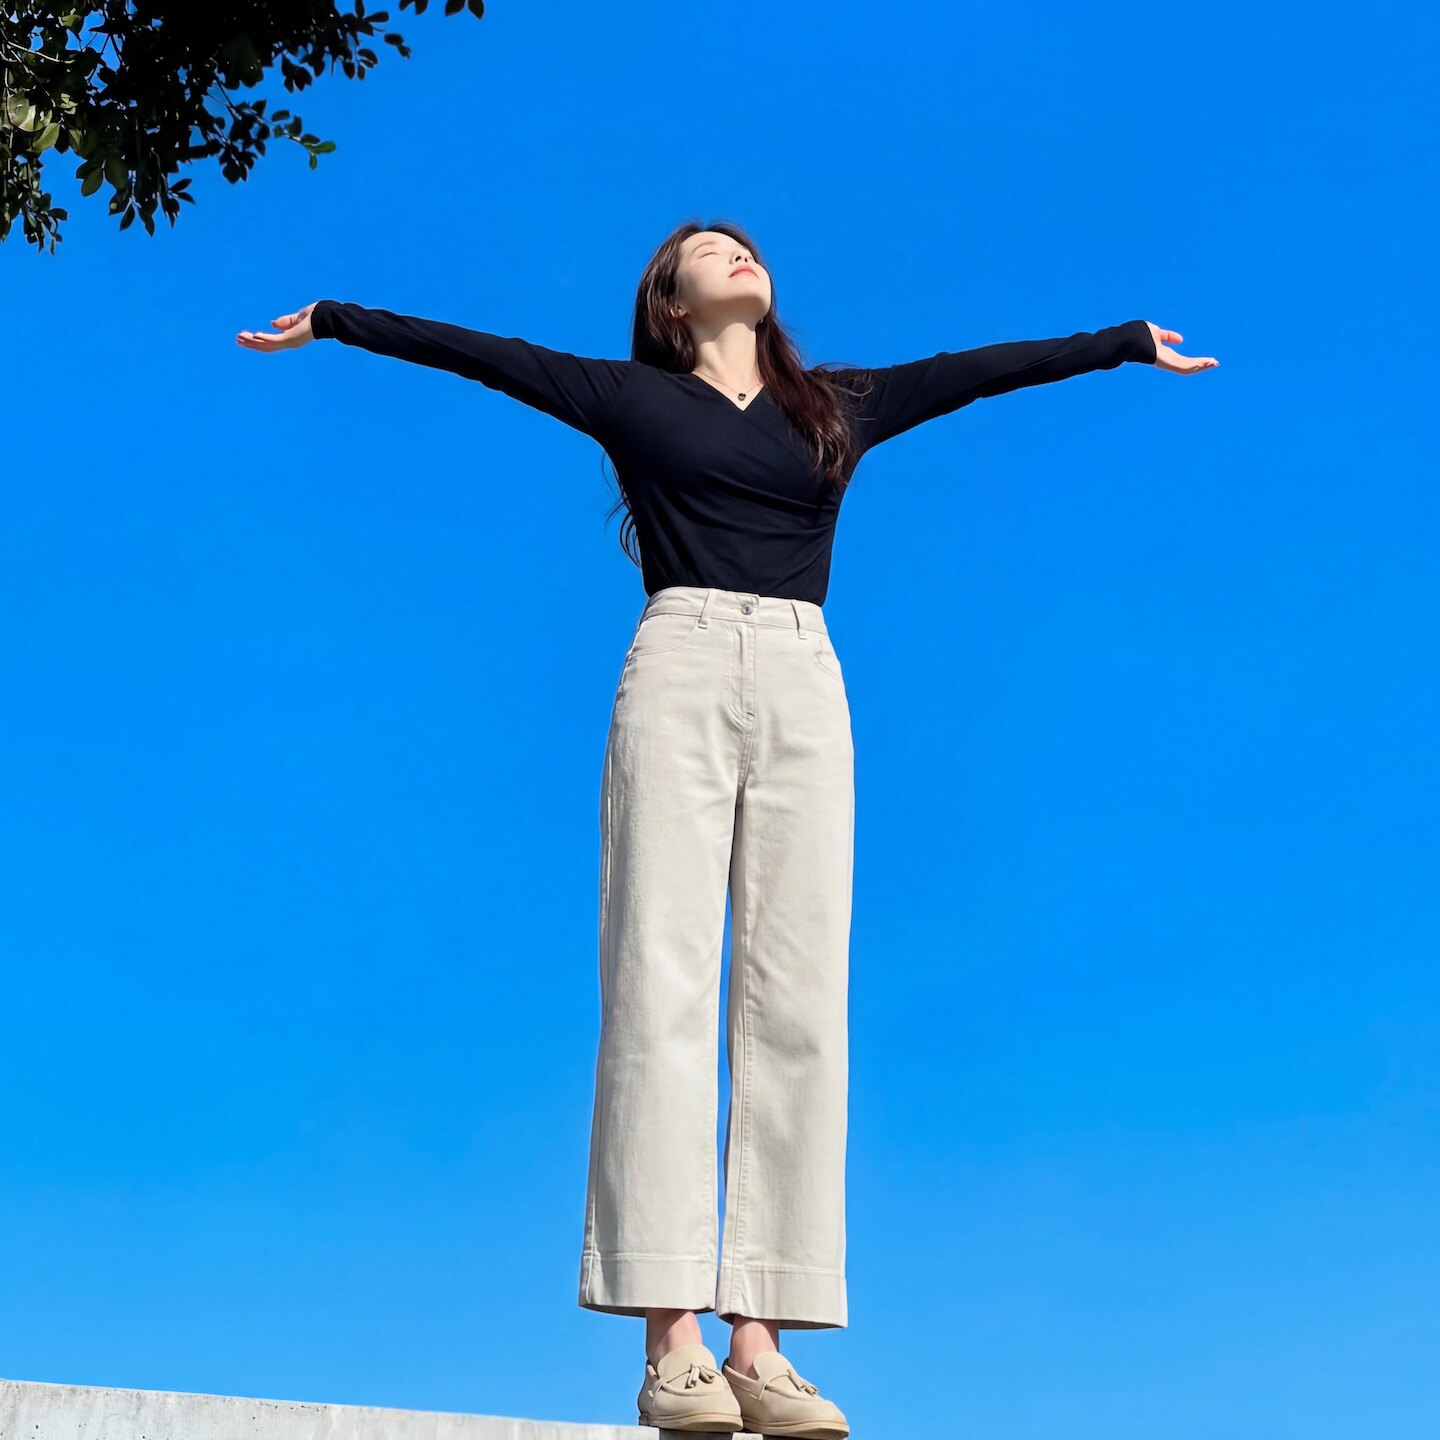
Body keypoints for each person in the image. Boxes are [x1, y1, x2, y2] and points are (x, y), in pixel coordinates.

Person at [237, 219, 1217, 1438]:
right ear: (671, 299)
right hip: (682, 660)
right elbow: (481, 354)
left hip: (809, 675)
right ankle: (671, 1342)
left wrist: (1121, 345)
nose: (739, 252)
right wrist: (337, 318)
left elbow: (977, 372)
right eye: (709, 249)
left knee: (798, 1000)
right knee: (663, 983)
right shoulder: (629, 398)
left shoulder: (836, 406)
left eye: (747, 243)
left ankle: (762, 1335)